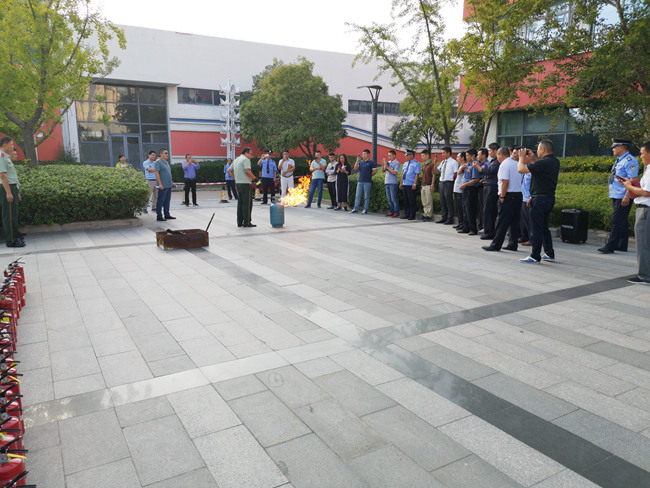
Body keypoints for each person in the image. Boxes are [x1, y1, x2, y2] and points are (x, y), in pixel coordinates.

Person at [518, 139, 561, 263]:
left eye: (538, 149)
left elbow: (521, 169)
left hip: (539, 200)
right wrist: (533, 159)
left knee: (535, 228)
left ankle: (535, 255)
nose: (537, 152)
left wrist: (521, 158)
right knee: (543, 227)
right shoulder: (554, 161)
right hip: (548, 198)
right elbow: (540, 166)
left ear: (543, 150)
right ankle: (549, 253)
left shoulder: (543, 163)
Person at [598, 139, 639, 254]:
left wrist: (627, 196)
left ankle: (610, 246)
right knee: (622, 220)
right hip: (616, 194)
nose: (613, 149)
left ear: (621, 147)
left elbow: (632, 180)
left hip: (623, 195)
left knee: (616, 220)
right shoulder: (620, 160)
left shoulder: (630, 161)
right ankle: (621, 244)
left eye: (614, 147)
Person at [621, 141, 650, 284]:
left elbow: (646, 192)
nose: (641, 156)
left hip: (645, 211)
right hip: (645, 210)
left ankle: (644, 275)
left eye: (642, 153)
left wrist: (628, 187)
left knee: (643, 244)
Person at [482, 147, 522, 252]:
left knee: (502, 221)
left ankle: (496, 244)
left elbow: (505, 182)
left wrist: (502, 196)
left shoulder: (504, 164)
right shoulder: (516, 163)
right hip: (518, 194)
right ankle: (513, 244)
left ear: (501, 154)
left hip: (508, 195)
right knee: (514, 221)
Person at [0, 138, 24, 248]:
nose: (13, 146)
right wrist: (8, 193)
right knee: (9, 215)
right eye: (11, 144)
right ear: (4, 145)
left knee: (13, 215)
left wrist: (16, 192)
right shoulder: (1, 156)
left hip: (12, 187)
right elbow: (3, 175)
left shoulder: (6, 157)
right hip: (7, 187)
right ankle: (11, 241)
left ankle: (15, 237)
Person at [228, 147, 257, 227]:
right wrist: (255, 179)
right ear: (246, 153)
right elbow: (247, 170)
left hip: (238, 184)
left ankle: (239, 222)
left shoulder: (236, 160)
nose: (251, 156)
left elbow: (229, 170)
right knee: (247, 204)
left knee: (240, 203)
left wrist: (235, 178)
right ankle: (247, 222)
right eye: (251, 154)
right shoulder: (246, 160)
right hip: (246, 184)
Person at [477, 143, 500, 239]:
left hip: (492, 187)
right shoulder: (493, 161)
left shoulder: (497, 161)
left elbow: (489, 171)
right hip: (487, 185)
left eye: (490, 151)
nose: (489, 153)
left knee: (489, 210)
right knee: (487, 209)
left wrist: (478, 168)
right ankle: (488, 231)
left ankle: (489, 232)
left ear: (495, 151)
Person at [458, 148, 481, 235]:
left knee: (470, 209)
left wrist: (465, 184)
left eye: (468, 156)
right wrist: (461, 168)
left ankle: (473, 229)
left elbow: (476, 179)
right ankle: (466, 227)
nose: (466, 157)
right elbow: (459, 173)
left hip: (471, 189)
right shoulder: (467, 164)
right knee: (465, 208)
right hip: (465, 188)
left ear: (473, 156)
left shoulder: (475, 165)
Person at [352, 149, 378, 214]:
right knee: (358, 196)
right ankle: (355, 208)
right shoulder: (360, 162)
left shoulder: (371, 162)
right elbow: (355, 168)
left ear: (368, 154)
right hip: (360, 181)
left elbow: (375, 171)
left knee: (366, 196)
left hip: (367, 182)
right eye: (363, 154)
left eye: (365, 154)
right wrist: (357, 161)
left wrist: (369, 175)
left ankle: (365, 209)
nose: (363, 155)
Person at [437, 146, 458, 224]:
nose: (442, 154)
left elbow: (455, 174)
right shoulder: (443, 162)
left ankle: (450, 218)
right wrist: (435, 163)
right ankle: (444, 217)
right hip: (441, 183)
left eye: (444, 153)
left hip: (448, 183)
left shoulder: (453, 162)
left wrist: (453, 182)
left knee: (448, 201)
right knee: (442, 201)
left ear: (448, 153)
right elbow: (436, 171)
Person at [154, 148, 176, 222]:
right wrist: (160, 184)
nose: (167, 154)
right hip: (162, 186)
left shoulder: (166, 162)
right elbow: (157, 173)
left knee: (167, 201)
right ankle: (159, 215)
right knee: (161, 201)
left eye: (167, 153)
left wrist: (171, 182)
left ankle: (167, 214)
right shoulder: (158, 162)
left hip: (168, 185)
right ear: (161, 154)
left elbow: (168, 173)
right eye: (165, 153)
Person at [400, 149, 420, 220]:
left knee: (412, 200)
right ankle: (407, 214)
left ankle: (412, 215)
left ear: (412, 155)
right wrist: (401, 183)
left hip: (411, 184)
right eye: (406, 155)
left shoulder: (416, 163)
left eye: (407, 155)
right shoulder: (405, 163)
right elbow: (403, 174)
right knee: (406, 200)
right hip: (405, 184)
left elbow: (417, 174)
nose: (406, 157)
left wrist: (415, 183)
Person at [382, 150, 401, 217]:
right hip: (387, 182)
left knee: (393, 198)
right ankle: (391, 211)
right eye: (388, 155)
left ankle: (396, 212)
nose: (389, 157)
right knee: (389, 199)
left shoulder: (396, 163)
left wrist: (387, 167)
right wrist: (383, 165)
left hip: (393, 183)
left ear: (394, 155)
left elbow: (395, 172)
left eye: (390, 155)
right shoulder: (388, 162)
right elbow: (383, 171)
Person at [420, 150, 436, 222]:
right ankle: (425, 213)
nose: (422, 157)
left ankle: (429, 215)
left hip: (428, 185)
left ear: (427, 156)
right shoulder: (423, 164)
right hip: (423, 185)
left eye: (423, 155)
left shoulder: (431, 164)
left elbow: (433, 175)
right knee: (424, 201)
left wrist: (432, 184)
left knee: (429, 201)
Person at [453, 152, 466, 230]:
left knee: (461, 209)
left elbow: (459, 173)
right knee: (458, 208)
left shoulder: (464, 166)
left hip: (460, 190)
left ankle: (463, 224)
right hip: (456, 189)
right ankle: (460, 223)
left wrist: (461, 168)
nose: (456, 158)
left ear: (463, 158)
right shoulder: (460, 166)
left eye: (458, 157)